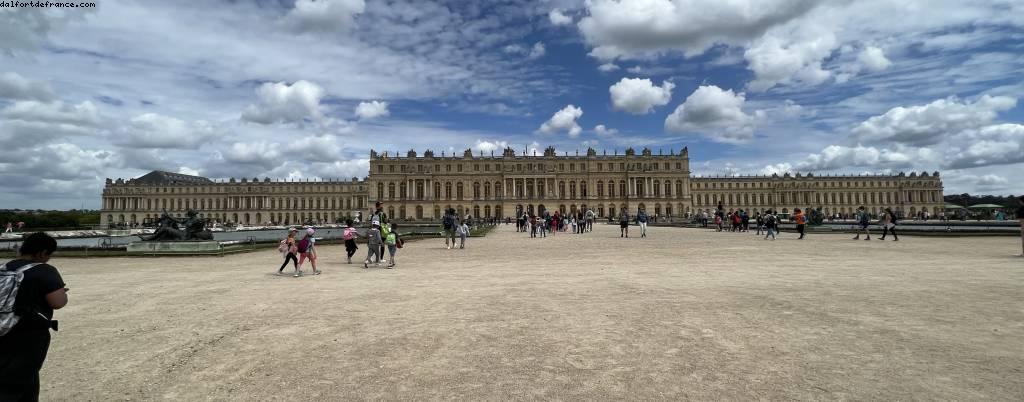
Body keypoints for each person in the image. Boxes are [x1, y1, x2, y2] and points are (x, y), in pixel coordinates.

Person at [1, 232, 67, 401]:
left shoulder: (6, 267)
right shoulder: (44, 270)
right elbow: (58, 302)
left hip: (3, 326)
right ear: (42, 253)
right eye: (48, 255)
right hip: (28, 332)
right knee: (20, 379)